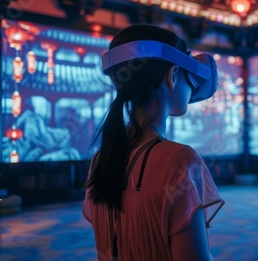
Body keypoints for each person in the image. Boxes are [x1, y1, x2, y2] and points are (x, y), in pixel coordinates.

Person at [83, 24, 224, 261]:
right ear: (173, 75)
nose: (192, 89)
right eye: (189, 78)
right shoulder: (180, 160)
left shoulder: (101, 159)